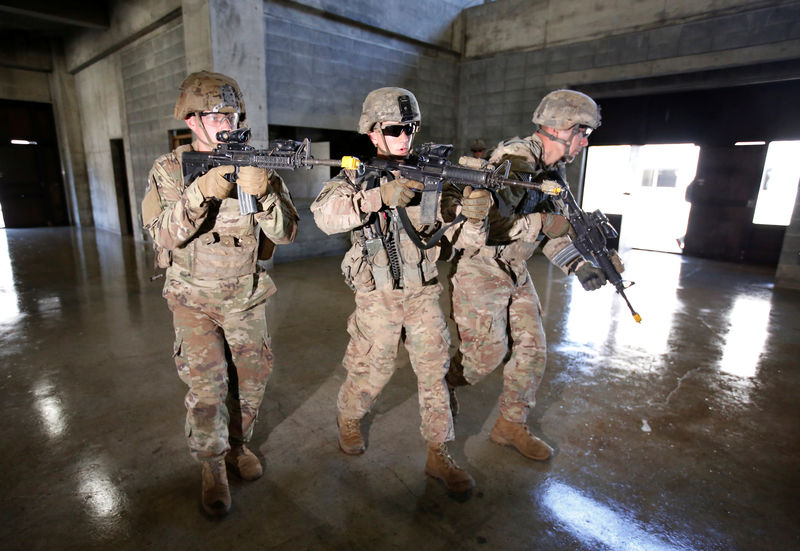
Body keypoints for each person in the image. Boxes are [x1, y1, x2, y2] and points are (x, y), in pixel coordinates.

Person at [310, 87, 491, 493]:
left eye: (410, 128)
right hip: (379, 297)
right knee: (372, 370)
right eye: (394, 129)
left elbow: (467, 242)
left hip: (423, 291)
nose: (405, 137)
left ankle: (439, 451)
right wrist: (378, 196)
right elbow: (325, 216)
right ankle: (350, 417)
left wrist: (475, 215)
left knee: (434, 374)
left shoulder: (432, 177)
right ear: (373, 132)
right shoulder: (355, 175)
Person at [141, 70, 299, 516]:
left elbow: (285, 235)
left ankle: (237, 447)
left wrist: (264, 194)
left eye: (233, 112)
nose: (228, 121)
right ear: (192, 120)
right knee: (208, 389)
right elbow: (163, 235)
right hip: (193, 300)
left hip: (246, 297)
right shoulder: (170, 169)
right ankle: (211, 465)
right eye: (217, 114)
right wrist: (204, 190)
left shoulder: (257, 163)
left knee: (250, 385)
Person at [444, 89, 608, 461]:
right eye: (582, 133)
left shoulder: (554, 170)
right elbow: (493, 227)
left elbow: (550, 231)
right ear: (560, 128)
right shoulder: (515, 161)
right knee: (484, 358)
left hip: (515, 269)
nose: (584, 141)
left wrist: (578, 265)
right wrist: (543, 222)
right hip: (481, 268)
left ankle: (510, 426)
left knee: (532, 350)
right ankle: (444, 381)